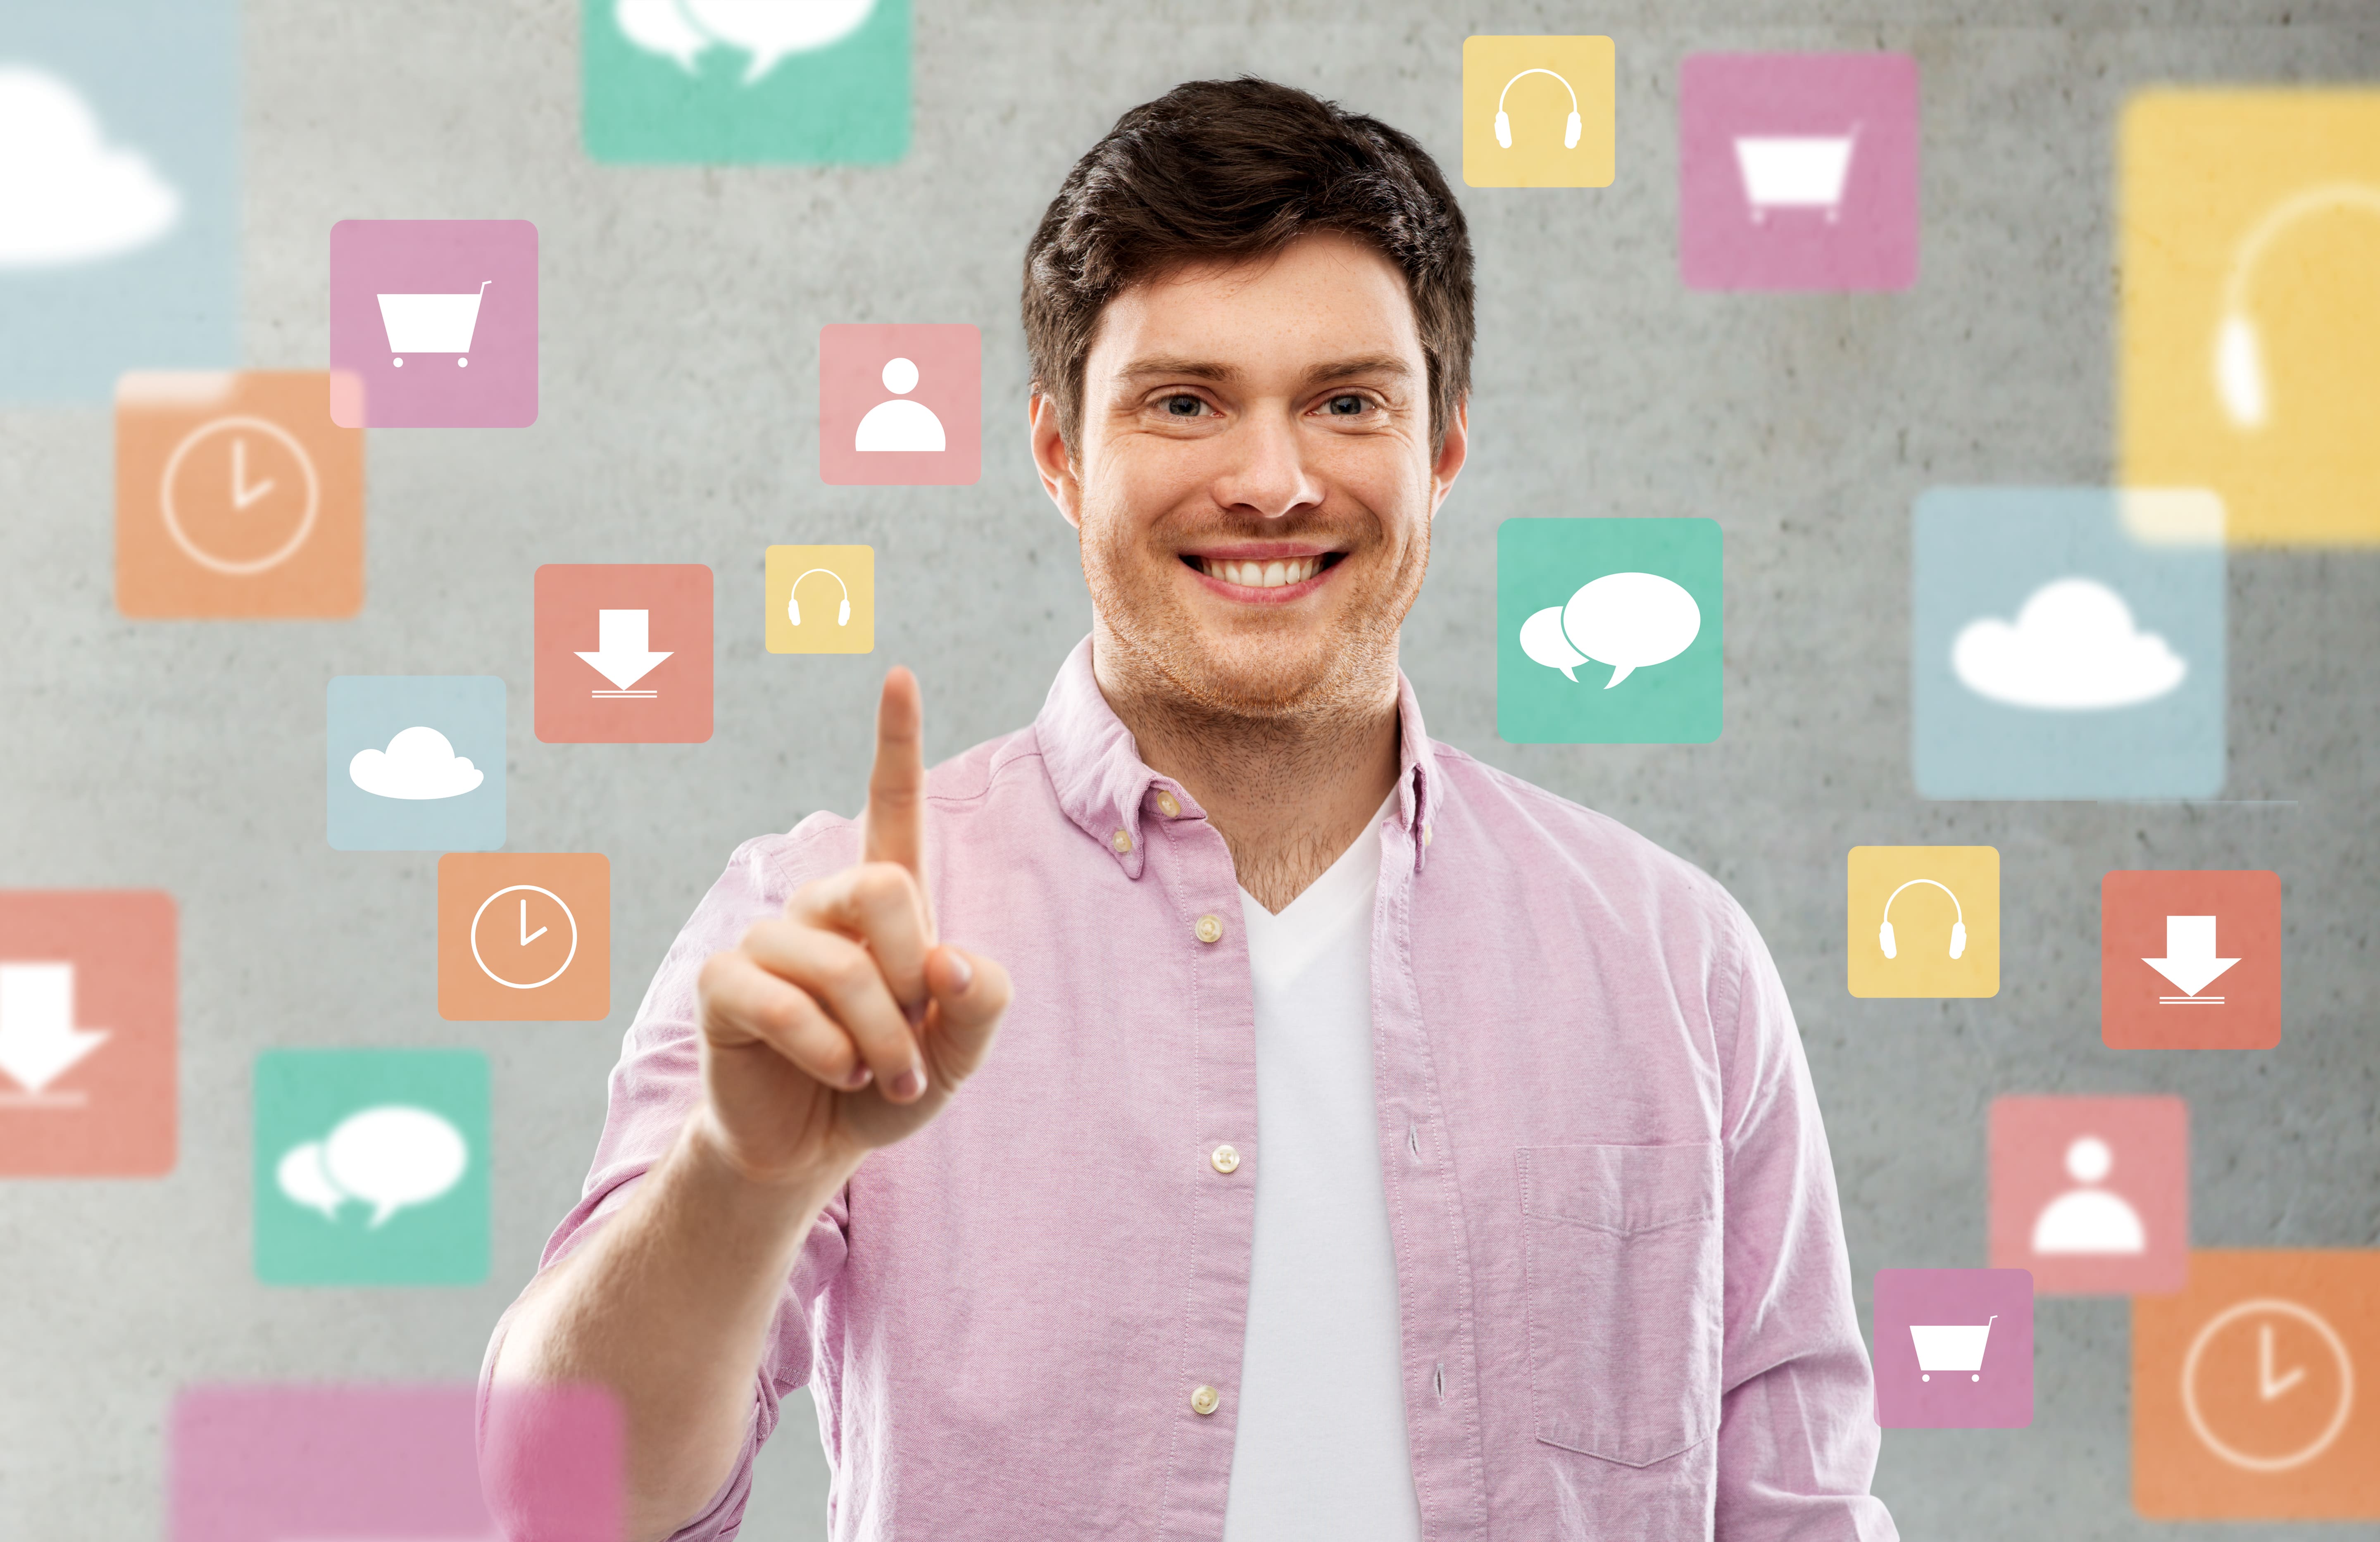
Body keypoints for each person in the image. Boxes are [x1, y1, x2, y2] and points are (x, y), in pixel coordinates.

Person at [481, 76, 1898, 1542]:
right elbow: (559, 1496)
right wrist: (740, 1182)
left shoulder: (1680, 964)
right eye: (1184, 403)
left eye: (1347, 403)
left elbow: (1802, 1514)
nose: (1272, 484)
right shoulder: (830, 936)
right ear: (1059, 453)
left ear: (1443, 450)